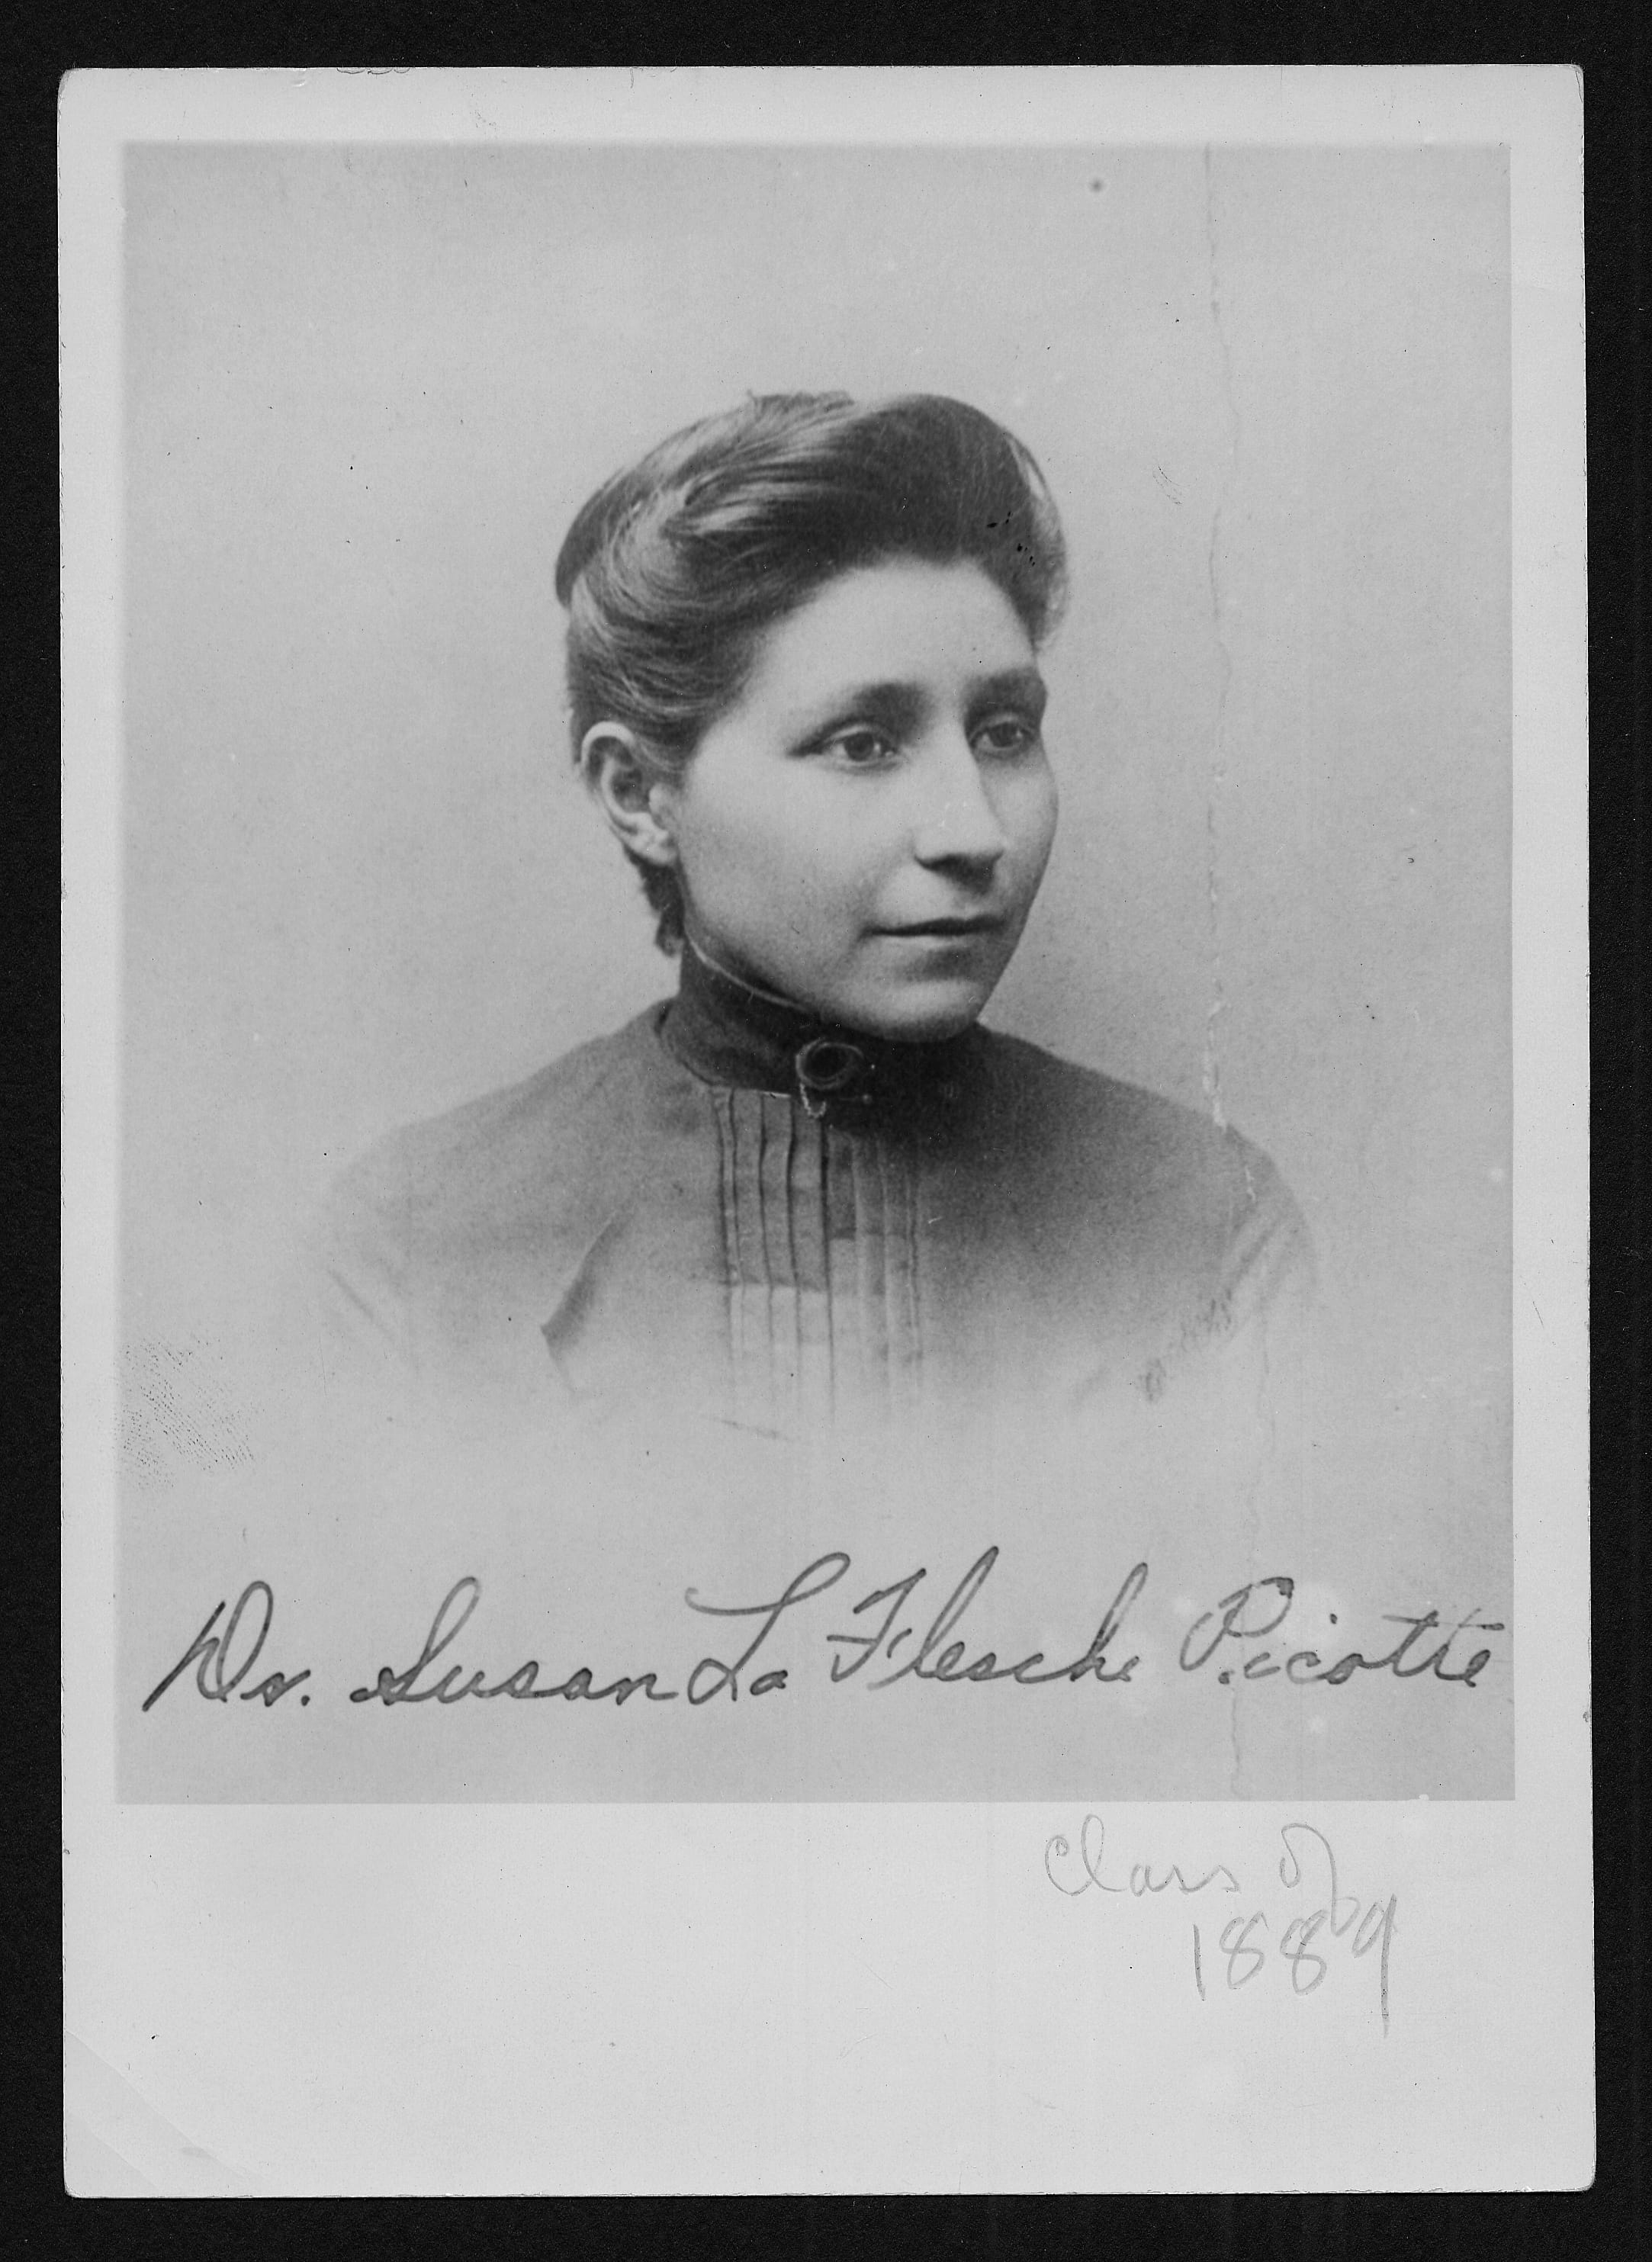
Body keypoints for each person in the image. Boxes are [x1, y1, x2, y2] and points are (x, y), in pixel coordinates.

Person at [315, 392, 1313, 1480]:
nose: (974, 829)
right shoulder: (415, 1247)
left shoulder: (1204, 1227)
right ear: (639, 791)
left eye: (1004, 732)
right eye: (861, 742)